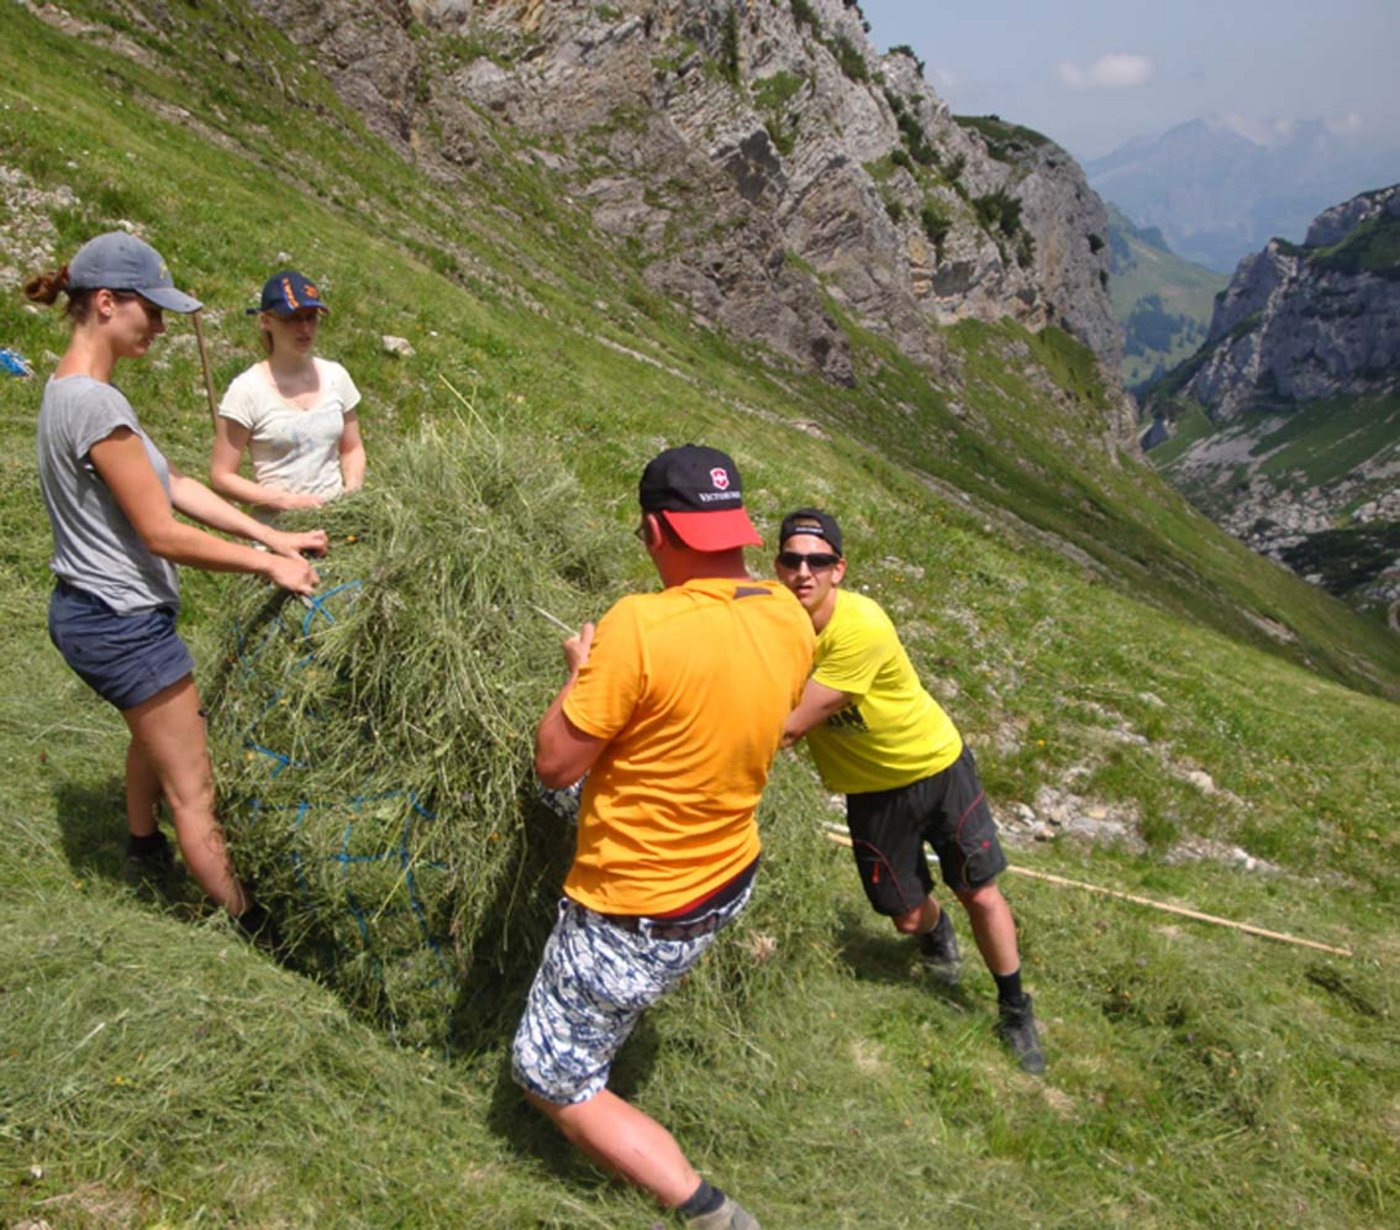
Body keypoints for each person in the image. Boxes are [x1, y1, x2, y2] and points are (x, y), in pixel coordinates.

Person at [515, 445, 815, 1230]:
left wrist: (583, 672)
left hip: (637, 902)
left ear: (653, 530)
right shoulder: (788, 612)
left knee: (551, 1076)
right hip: (727, 870)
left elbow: (554, 764)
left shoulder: (638, 626)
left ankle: (705, 1209)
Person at [26, 232, 327, 929]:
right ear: (106, 303)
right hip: (120, 623)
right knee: (195, 791)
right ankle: (258, 927)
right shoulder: (97, 407)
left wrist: (269, 530)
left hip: (90, 610)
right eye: (150, 311)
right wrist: (270, 565)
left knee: (151, 731)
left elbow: (177, 483)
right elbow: (160, 531)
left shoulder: (73, 389)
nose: (160, 326)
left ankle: (140, 845)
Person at [774, 508, 1045, 1074]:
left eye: (818, 561)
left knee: (980, 891)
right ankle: (935, 930)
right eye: (791, 559)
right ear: (777, 566)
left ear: (838, 570)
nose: (804, 572)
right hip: (869, 791)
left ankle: (1014, 1007)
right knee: (903, 915)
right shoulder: (773, 624)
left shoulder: (861, 628)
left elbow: (790, 727)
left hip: (935, 767)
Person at [209, 270, 365, 519]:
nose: (304, 328)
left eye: (311, 318)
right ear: (265, 321)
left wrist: (352, 491)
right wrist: (285, 501)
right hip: (278, 533)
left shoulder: (337, 377)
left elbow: (352, 447)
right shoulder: (247, 390)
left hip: (335, 524)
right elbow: (221, 475)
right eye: (292, 318)